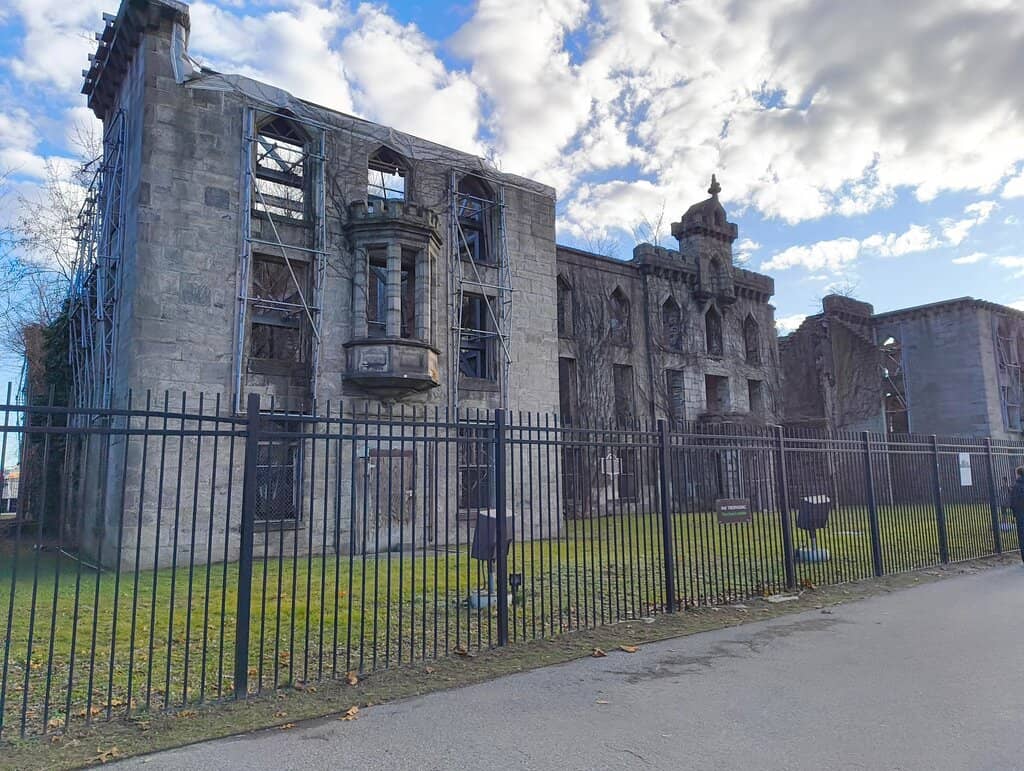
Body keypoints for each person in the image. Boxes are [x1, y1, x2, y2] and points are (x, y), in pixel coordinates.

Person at [1013, 466, 1024, 564]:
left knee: (1022, 536)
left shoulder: (1017, 486)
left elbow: (1014, 502)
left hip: (1021, 514)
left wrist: (1014, 514)